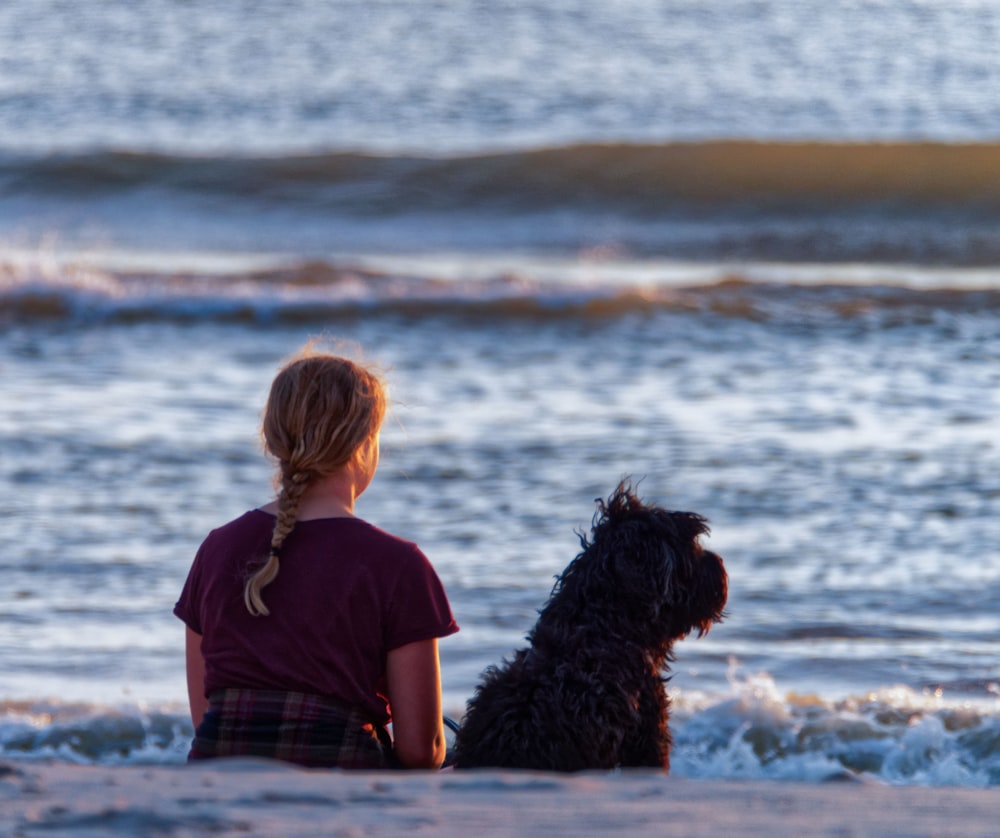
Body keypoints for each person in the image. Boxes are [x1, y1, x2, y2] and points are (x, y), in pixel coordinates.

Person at [174, 346, 458, 769]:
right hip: (342, 783)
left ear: (273, 439)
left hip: (219, 778)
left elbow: (208, 718)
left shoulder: (216, 548)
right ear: (365, 444)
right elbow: (420, 751)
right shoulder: (399, 565)